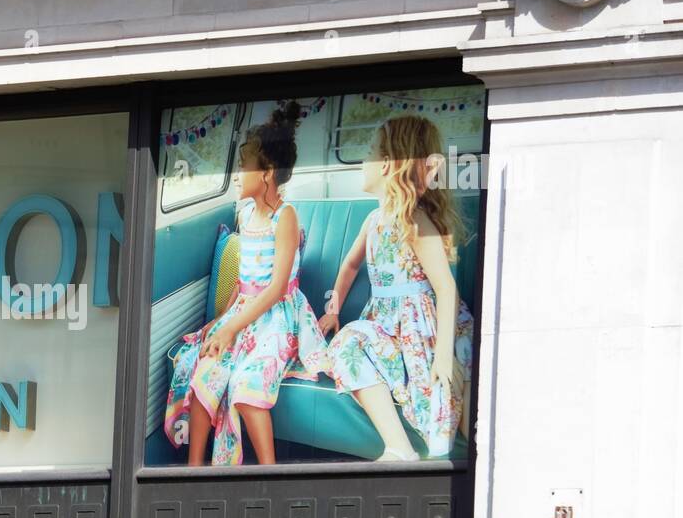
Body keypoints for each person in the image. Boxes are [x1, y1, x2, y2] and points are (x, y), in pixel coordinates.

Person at [164, 101, 329, 465]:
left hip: (276, 317)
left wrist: (232, 328)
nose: (237, 175)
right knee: (205, 368)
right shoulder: (245, 213)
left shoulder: (285, 217)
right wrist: (220, 323)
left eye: (243, 167)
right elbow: (244, 283)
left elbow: (275, 288)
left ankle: (269, 471)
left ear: (267, 172)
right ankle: (194, 469)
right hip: (243, 313)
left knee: (245, 384)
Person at [319, 115, 473, 461]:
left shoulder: (414, 221)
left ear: (387, 164)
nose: (363, 161)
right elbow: (350, 266)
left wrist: (444, 358)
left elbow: (446, 289)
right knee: (346, 344)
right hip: (388, 327)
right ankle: (399, 448)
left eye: (370, 153)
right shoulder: (373, 220)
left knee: (448, 393)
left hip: (424, 330)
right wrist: (334, 310)